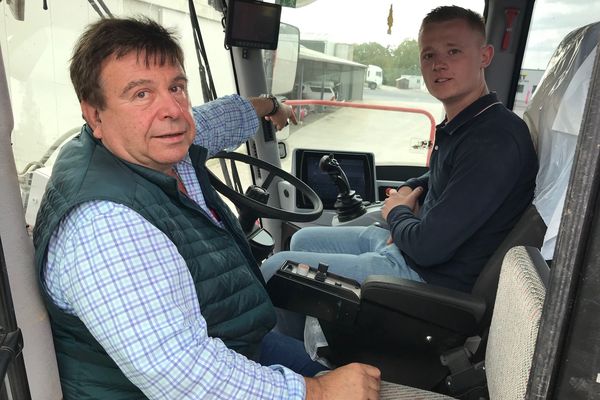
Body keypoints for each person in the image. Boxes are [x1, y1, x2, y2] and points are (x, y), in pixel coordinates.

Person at [32, 17, 380, 400]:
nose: (174, 110)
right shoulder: (105, 222)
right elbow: (180, 373)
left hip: (238, 344)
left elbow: (217, 120)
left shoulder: (156, 145)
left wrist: (270, 105)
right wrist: (316, 392)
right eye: (141, 94)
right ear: (94, 114)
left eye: (176, 87)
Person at [261, 6, 538, 295]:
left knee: (275, 269)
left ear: (485, 56)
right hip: (406, 250)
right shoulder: (469, 124)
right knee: (302, 240)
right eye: (429, 55)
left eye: (453, 51)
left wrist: (396, 213)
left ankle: (293, 341)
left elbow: (428, 248)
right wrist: (408, 189)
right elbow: (438, 177)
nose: (439, 64)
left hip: (426, 278)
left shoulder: (494, 140)